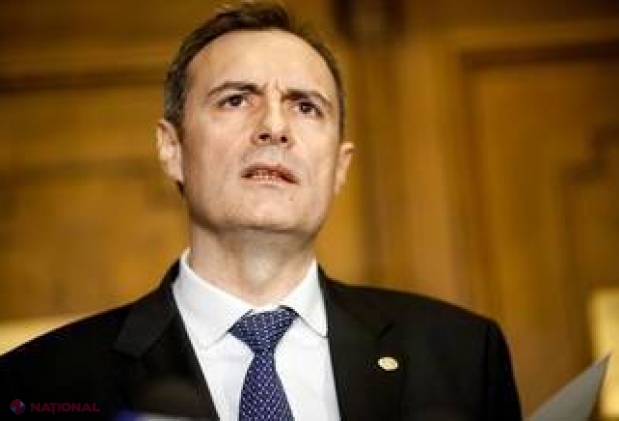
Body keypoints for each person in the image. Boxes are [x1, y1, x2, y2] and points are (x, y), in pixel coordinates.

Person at [0, 2, 522, 420]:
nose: (274, 127)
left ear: (340, 167)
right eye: (235, 99)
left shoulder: (462, 354)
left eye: (305, 106)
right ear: (172, 148)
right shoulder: (39, 383)